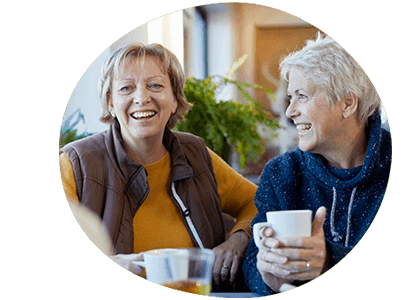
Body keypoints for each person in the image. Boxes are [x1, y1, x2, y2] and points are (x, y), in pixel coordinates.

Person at [59, 43, 257, 288]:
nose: (142, 98)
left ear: (174, 99)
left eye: (155, 85)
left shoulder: (196, 154)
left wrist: (239, 238)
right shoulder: (74, 163)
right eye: (126, 88)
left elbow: (259, 201)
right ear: (110, 102)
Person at [242, 33, 391, 295]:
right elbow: (253, 262)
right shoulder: (281, 173)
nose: (289, 112)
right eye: (290, 97)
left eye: (302, 96)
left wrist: (329, 260)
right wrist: (267, 277)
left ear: (347, 103)